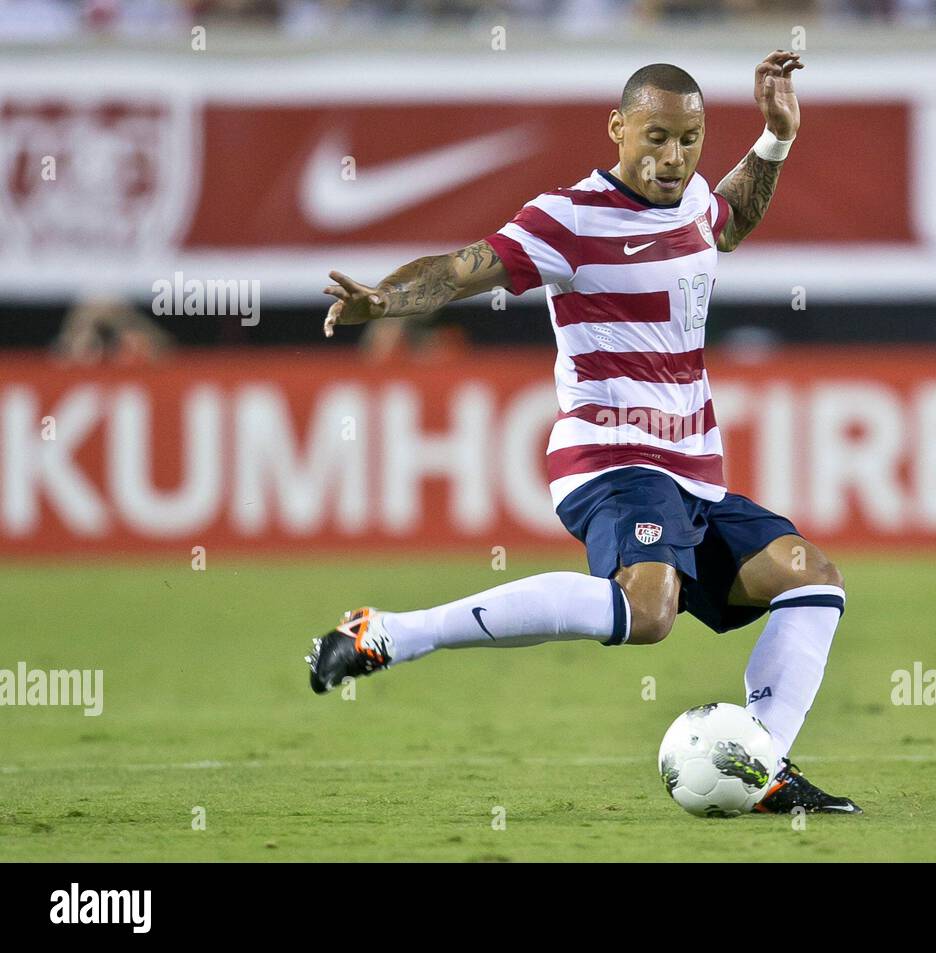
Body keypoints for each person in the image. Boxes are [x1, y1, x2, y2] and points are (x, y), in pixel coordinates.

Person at [306, 52, 861, 814]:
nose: (673, 158)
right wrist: (385, 299)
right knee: (648, 609)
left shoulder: (695, 197)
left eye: (690, 140)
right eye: (656, 137)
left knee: (811, 577)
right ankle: (396, 631)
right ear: (618, 128)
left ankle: (759, 762)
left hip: (693, 472)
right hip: (611, 457)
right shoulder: (567, 217)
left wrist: (774, 139)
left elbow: (727, 222)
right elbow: (465, 268)